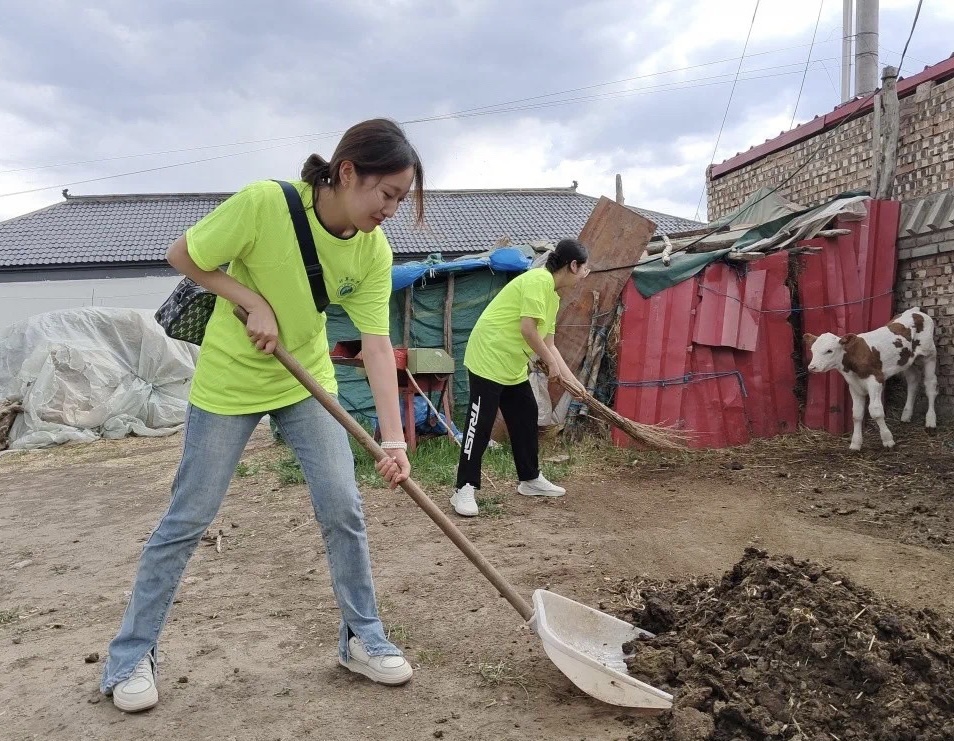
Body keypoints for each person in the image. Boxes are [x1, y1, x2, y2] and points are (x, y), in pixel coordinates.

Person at [101, 119, 424, 712]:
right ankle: (129, 658)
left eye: (402, 199)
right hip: (231, 381)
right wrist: (251, 300)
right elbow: (184, 255)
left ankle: (362, 639)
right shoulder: (263, 204)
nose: (393, 210)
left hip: (308, 386)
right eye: (389, 194)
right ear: (348, 171)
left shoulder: (374, 249)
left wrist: (395, 441)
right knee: (188, 518)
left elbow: (378, 345)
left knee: (343, 510)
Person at [450, 239, 590, 517]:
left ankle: (530, 479)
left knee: (526, 414)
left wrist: (573, 382)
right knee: (480, 424)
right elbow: (528, 329)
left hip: (511, 364)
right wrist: (550, 364)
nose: (587, 273)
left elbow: (549, 344)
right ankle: (463, 488)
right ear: (573, 266)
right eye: (585, 268)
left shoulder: (552, 295)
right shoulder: (538, 280)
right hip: (488, 356)